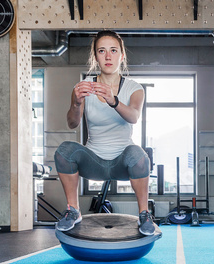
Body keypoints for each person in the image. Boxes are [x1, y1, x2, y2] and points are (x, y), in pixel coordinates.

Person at [54, 30, 155, 236]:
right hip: (94, 162)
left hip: (122, 162)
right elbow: (72, 123)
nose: (108, 56)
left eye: (113, 50)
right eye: (102, 51)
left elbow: (134, 116)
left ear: (121, 55)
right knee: (64, 150)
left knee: (138, 154)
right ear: (96, 56)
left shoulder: (135, 88)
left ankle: (144, 213)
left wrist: (113, 100)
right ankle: (73, 210)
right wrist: (76, 102)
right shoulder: (84, 87)